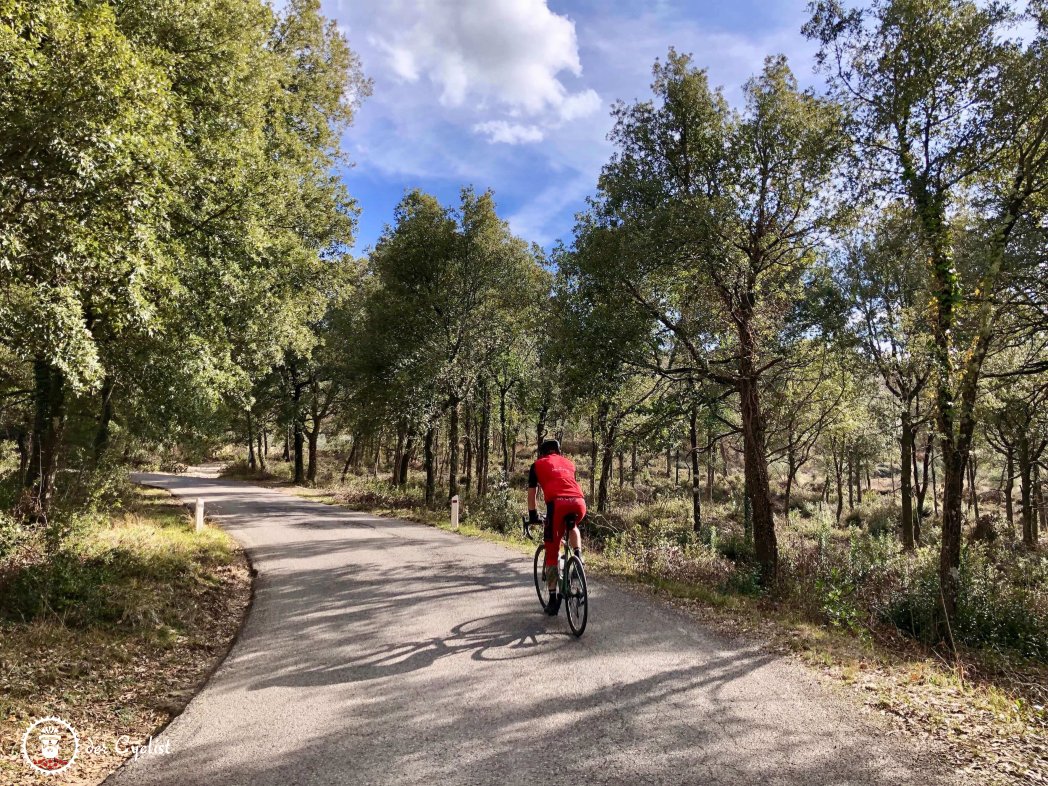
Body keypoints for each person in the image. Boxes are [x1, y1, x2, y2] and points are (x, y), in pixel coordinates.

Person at [527, 439, 586, 616]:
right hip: (579, 503)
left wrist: (533, 516)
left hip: (557, 505)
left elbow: (532, 494)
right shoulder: (569, 463)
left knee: (552, 553)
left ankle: (553, 600)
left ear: (542, 453)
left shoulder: (537, 465)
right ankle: (578, 557)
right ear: (558, 452)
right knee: (572, 525)